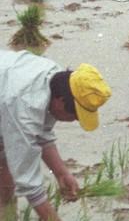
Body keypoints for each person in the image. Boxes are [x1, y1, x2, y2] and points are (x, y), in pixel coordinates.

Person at [0, 52, 111, 221]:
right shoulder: (24, 105)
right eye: (75, 115)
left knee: (6, 162)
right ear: (60, 101)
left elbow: (41, 132)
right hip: (8, 98)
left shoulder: (58, 81)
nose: (75, 120)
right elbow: (28, 181)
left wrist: (61, 173)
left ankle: (6, 212)